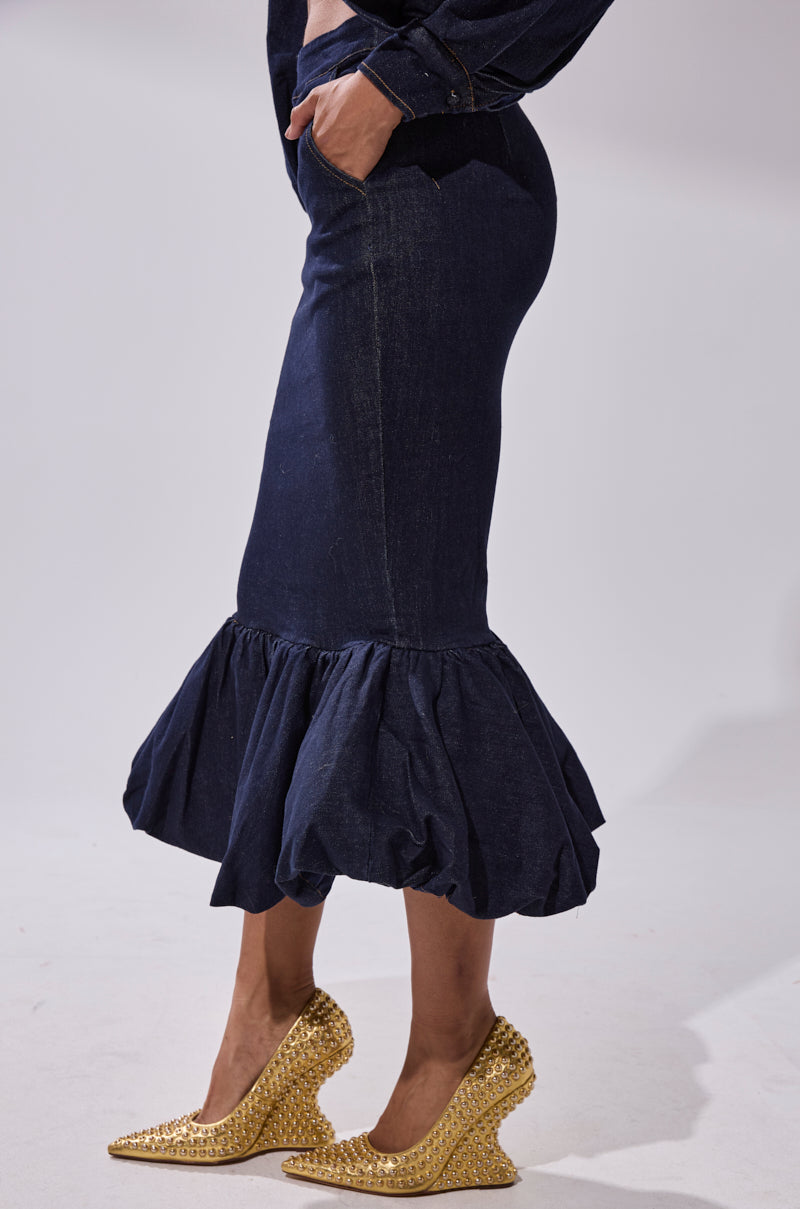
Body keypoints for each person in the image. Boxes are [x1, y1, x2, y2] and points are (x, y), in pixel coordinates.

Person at [107, 0, 616, 1193]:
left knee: (403, 621)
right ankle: (268, 1023)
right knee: (297, 600)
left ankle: (455, 1057)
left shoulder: (408, 101)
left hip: (428, 182)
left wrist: (400, 77)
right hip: (362, 192)